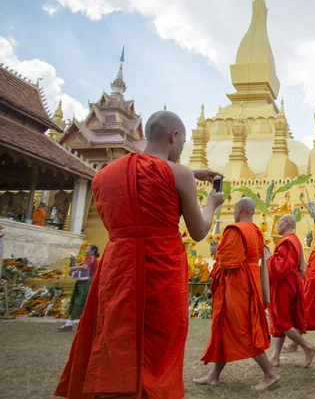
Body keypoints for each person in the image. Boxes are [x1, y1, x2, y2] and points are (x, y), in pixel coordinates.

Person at [55, 110, 224, 399]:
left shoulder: (103, 176)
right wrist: (211, 203)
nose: (182, 150)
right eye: (182, 142)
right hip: (161, 267)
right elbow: (198, 231)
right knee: (158, 344)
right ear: (174, 136)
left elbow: (137, 190)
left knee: (116, 334)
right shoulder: (180, 174)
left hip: (118, 266)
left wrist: (190, 174)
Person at [196, 197, 280, 391]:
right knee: (224, 326)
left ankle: (270, 373)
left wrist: (217, 251)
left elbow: (229, 262)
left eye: (234, 210)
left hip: (237, 284)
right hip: (249, 281)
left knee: (242, 328)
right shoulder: (257, 231)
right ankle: (214, 375)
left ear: (239, 209)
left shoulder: (236, 230)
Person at [265, 214, 315, 368]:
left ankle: (307, 347)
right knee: (283, 318)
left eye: (279, 222)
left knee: (281, 320)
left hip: (284, 284)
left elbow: (280, 268)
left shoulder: (287, 242)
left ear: (287, 223)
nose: (276, 226)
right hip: (290, 282)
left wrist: (268, 257)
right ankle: (275, 356)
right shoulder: (295, 240)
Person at [58, 245, 100, 331]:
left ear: (93, 251)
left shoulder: (90, 257)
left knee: (80, 302)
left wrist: (73, 268)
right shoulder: (91, 258)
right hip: (84, 282)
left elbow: (85, 267)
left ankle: (72, 324)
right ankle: (70, 324)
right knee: (80, 301)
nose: (86, 250)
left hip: (86, 282)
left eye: (88, 249)